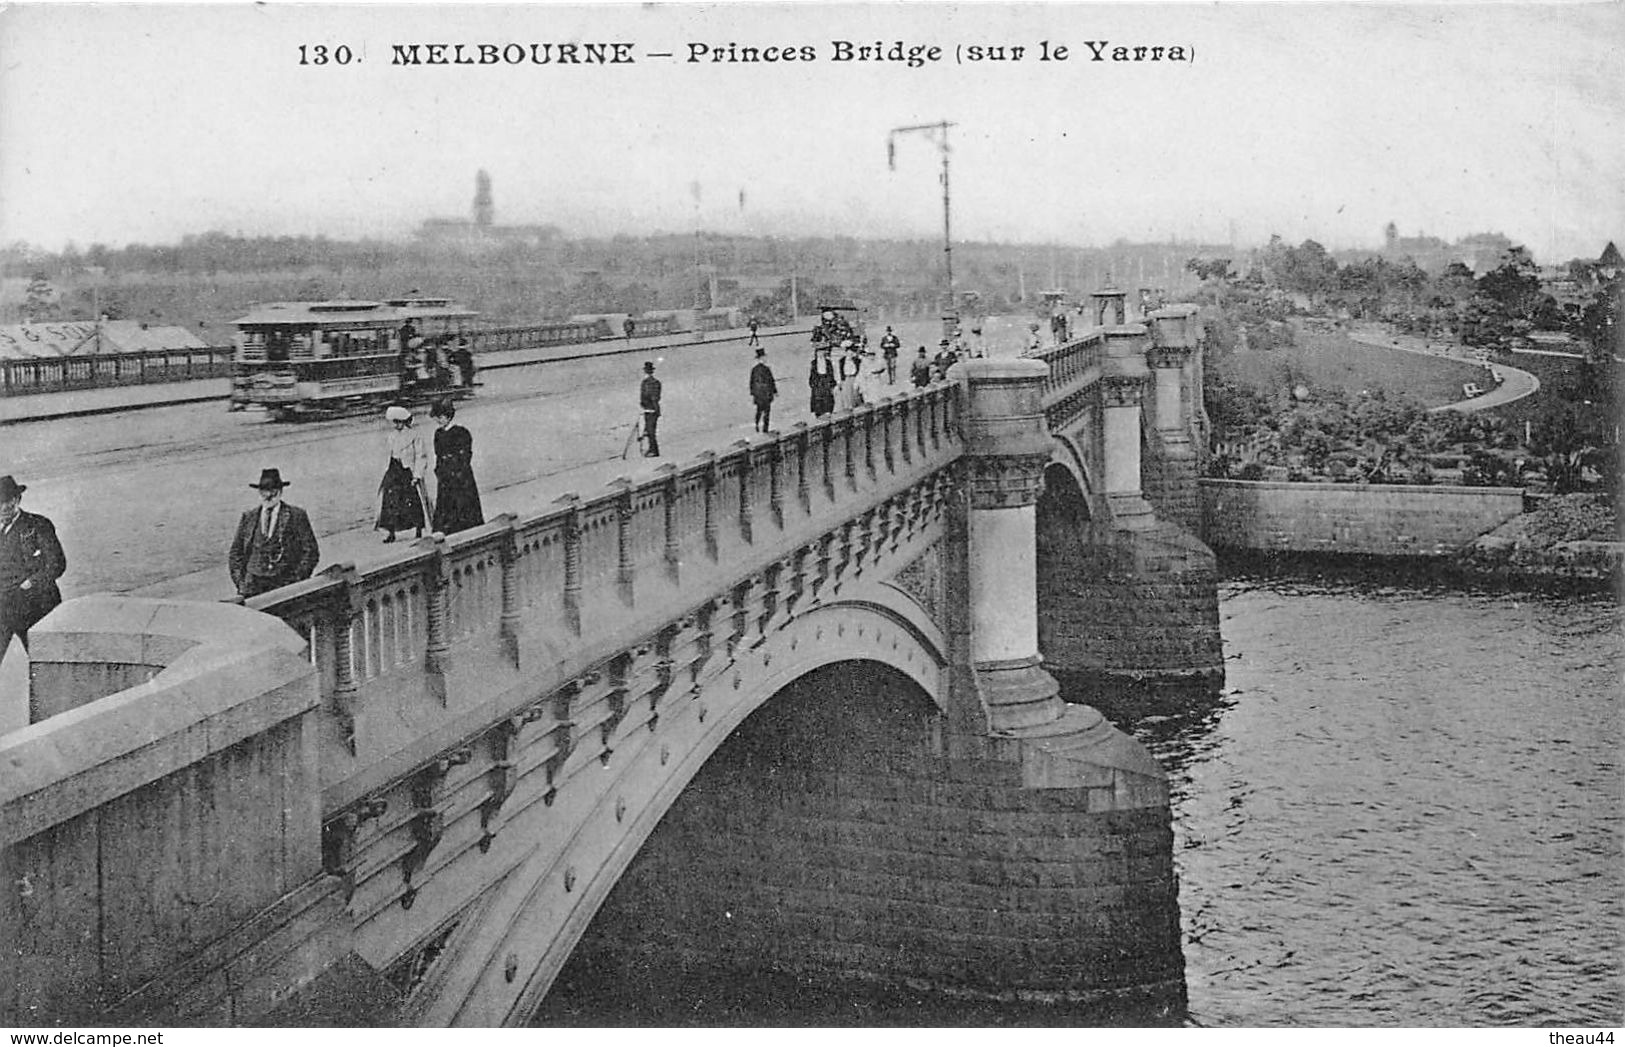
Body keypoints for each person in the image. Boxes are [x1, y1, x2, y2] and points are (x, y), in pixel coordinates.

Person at [0, 475, 65, 660]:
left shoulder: (38, 525)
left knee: (45, 659)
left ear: (17, 499)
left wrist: (30, 583)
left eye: (9, 500)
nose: (4, 507)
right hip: (3, 607)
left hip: (35, 605)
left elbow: (57, 565)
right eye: (0, 502)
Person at [228, 468, 319, 600]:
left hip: (284, 586)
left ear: (280, 492)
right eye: (264, 491)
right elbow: (235, 554)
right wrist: (241, 584)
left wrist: (296, 581)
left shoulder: (296, 515)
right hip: (253, 587)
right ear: (259, 492)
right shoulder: (249, 517)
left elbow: (311, 552)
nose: (268, 495)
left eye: (272, 491)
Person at [429, 400, 484, 534]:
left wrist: (456, 469)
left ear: (449, 416)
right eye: (437, 418)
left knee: (463, 503)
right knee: (446, 504)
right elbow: (438, 454)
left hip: (460, 476)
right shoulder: (438, 434)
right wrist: (439, 470)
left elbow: (466, 454)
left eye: (441, 417)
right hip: (445, 476)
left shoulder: (461, 432)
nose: (439, 421)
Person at [377, 405, 430, 542]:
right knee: (390, 502)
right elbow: (387, 455)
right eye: (395, 422)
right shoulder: (391, 436)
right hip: (394, 470)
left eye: (399, 422)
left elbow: (421, 455)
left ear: (405, 421)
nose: (397, 425)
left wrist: (417, 474)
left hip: (407, 471)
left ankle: (418, 528)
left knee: (412, 501)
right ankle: (391, 531)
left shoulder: (414, 435)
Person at [748, 347, 777, 433]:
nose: (765, 359)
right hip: (766, 394)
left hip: (758, 395)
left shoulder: (754, 369)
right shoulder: (766, 369)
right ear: (761, 358)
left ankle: (757, 424)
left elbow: (751, 382)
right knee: (767, 412)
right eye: (764, 357)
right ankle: (765, 428)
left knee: (759, 410)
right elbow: (771, 381)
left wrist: (753, 393)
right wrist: (774, 391)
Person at [639, 361, 662, 457]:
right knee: (650, 431)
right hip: (650, 409)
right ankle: (652, 449)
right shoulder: (652, 382)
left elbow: (652, 397)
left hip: (650, 409)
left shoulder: (648, 383)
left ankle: (654, 450)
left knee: (650, 431)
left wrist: (651, 407)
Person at [808, 345, 837, 418]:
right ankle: (818, 413)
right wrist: (812, 383)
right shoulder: (814, 363)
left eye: (821, 352)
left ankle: (828, 412)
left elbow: (831, 373)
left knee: (827, 397)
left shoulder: (828, 362)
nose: (820, 354)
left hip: (826, 380)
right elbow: (812, 373)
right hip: (818, 382)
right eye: (818, 352)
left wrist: (832, 383)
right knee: (817, 398)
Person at [837, 340, 864, 411]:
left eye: (852, 352)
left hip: (855, 378)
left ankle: (858, 408)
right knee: (847, 395)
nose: (850, 354)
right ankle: (849, 409)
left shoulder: (856, 360)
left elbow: (860, 370)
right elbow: (840, 371)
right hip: (846, 379)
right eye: (848, 352)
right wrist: (840, 381)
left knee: (856, 394)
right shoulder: (842, 361)